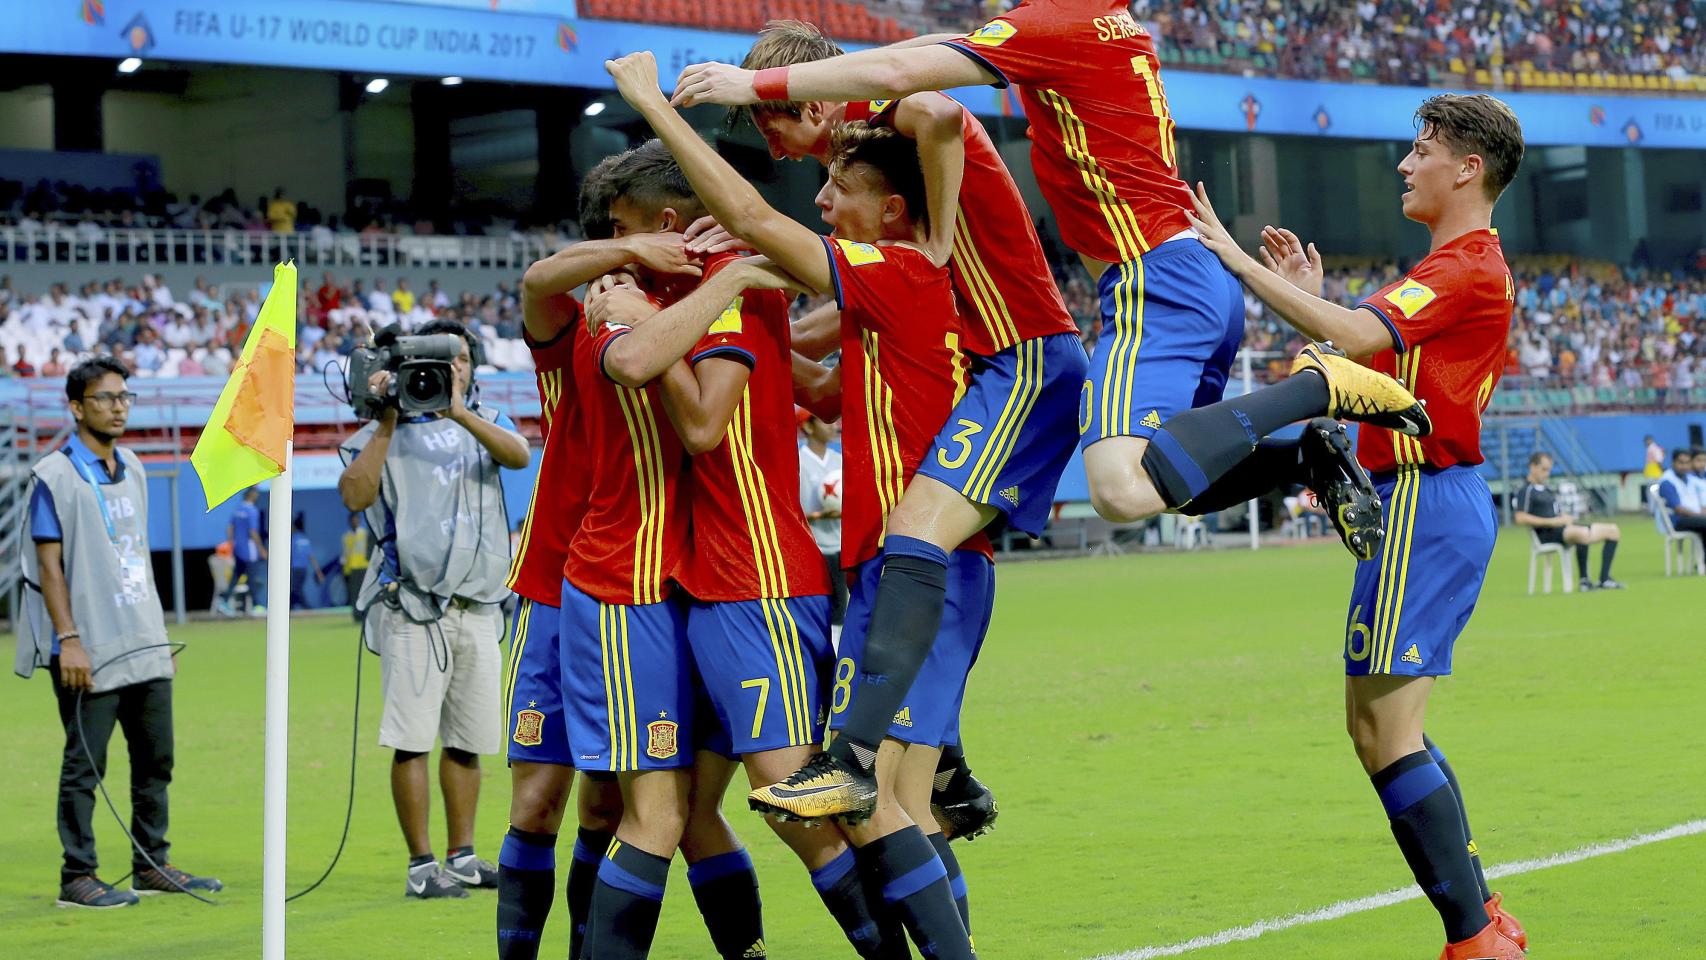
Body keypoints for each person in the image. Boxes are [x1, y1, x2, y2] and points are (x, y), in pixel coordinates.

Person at [675, 7, 1430, 826]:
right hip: (1157, 287)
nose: (779, 150)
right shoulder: (1092, 37)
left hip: (1061, 335)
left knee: (988, 517)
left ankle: (862, 759)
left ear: (811, 108)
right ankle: (1297, 455)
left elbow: (924, 98)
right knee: (1146, 480)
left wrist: (759, 90)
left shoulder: (929, 99)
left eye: (768, 123)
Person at [611, 50, 976, 959]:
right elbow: (811, 385)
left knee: (858, 796)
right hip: (875, 569)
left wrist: (659, 108)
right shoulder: (884, 301)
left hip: (886, 571)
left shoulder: (900, 274)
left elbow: (752, 218)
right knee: (894, 795)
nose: (819, 201)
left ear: (891, 211)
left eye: (837, 189)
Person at [1189, 93, 1529, 959]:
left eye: (1423, 150)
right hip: (1425, 501)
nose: (1407, 165)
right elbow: (1353, 356)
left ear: (1469, 168)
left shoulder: (1463, 266)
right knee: (1381, 726)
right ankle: (1482, 919)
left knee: (1387, 732)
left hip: (1424, 497)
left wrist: (1230, 255)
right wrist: (1307, 299)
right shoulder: (1453, 269)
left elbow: (1347, 336)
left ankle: (1475, 936)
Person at [588, 139, 908, 959]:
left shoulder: (714, 285)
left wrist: (646, 315)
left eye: (624, 232)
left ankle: (914, 935)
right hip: (703, 584)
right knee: (692, 811)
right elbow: (804, 385)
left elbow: (700, 424)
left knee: (797, 798)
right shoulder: (710, 286)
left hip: (757, 578)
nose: (616, 252)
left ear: (667, 222)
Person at [15, 356, 222, 908]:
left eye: (124, 397)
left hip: (142, 639)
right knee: (86, 765)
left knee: (157, 758)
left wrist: (154, 633)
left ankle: (151, 864)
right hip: (90, 645)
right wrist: (68, 639)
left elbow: (133, 558)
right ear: (77, 406)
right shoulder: (52, 476)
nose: (118, 407)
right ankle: (77, 875)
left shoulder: (133, 464)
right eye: (105, 398)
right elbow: (49, 567)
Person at [338, 318, 531, 900]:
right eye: (442, 361)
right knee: (413, 738)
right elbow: (353, 494)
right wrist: (387, 419)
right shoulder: (379, 431)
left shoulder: (487, 422)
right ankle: (422, 865)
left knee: (470, 740)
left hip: (479, 604)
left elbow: (520, 457)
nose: (454, 370)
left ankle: (463, 856)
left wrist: (459, 413)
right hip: (412, 606)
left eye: (462, 360)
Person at [496, 154, 632, 960]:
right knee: (536, 801)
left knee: (607, 810)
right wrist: (631, 253)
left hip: (634, 591)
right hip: (553, 585)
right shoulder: (574, 319)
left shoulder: (675, 316)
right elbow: (536, 283)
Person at [1512, 452, 1624, 590]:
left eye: (1549, 470)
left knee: (1613, 531)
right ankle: (1584, 581)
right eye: (1544, 469)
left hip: (1564, 529)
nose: (1547, 474)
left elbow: (1557, 512)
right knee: (1582, 533)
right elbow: (1520, 517)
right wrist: (1552, 522)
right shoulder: (1526, 490)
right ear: (1533, 467)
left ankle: (1605, 579)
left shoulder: (1547, 489)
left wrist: (1566, 518)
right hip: (1548, 534)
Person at [798, 413, 846, 633]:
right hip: (813, 548)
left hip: (840, 546)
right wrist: (819, 516)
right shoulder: (797, 462)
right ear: (808, 427)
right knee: (817, 610)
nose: (833, 425)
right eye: (826, 420)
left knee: (841, 609)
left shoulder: (839, 461)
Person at [221, 487, 266, 615]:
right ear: (252, 496)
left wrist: (232, 544)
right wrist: (261, 548)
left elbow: (229, 529)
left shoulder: (237, 510)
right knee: (252, 577)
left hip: (238, 548)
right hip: (249, 550)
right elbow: (252, 531)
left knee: (237, 575)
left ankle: (224, 601)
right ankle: (256, 605)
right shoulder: (252, 511)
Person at [1657, 447, 1706, 537]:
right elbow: (1678, 509)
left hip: (1694, 518)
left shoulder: (1690, 479)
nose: (1684, 466)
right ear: (1673, 462)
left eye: (1687, 463)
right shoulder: (1667, 481)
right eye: (1681, 462)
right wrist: (1699, 515)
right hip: (1677, 520)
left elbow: (1700, 501)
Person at [288, 513, 325, 610]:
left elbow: (289, 554)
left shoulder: (293, 539)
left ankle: (306, 608)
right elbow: (312, 557)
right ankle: (291, 607)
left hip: (295, 569)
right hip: (303, 570)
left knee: (296, 590)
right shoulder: (305, 539)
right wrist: (319, 572)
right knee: (296, 589)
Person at [340, 513, 369, 621]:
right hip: (351, 568)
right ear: (349, 522)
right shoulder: (346, 536)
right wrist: (345, 570)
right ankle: (357, 615)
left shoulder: (364, 534)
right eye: (352, 520)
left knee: (365, 592)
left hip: (363, 566)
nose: (354, 522)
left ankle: (366, 614)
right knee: (354, 593)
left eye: (356, 519)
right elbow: (344, 554)